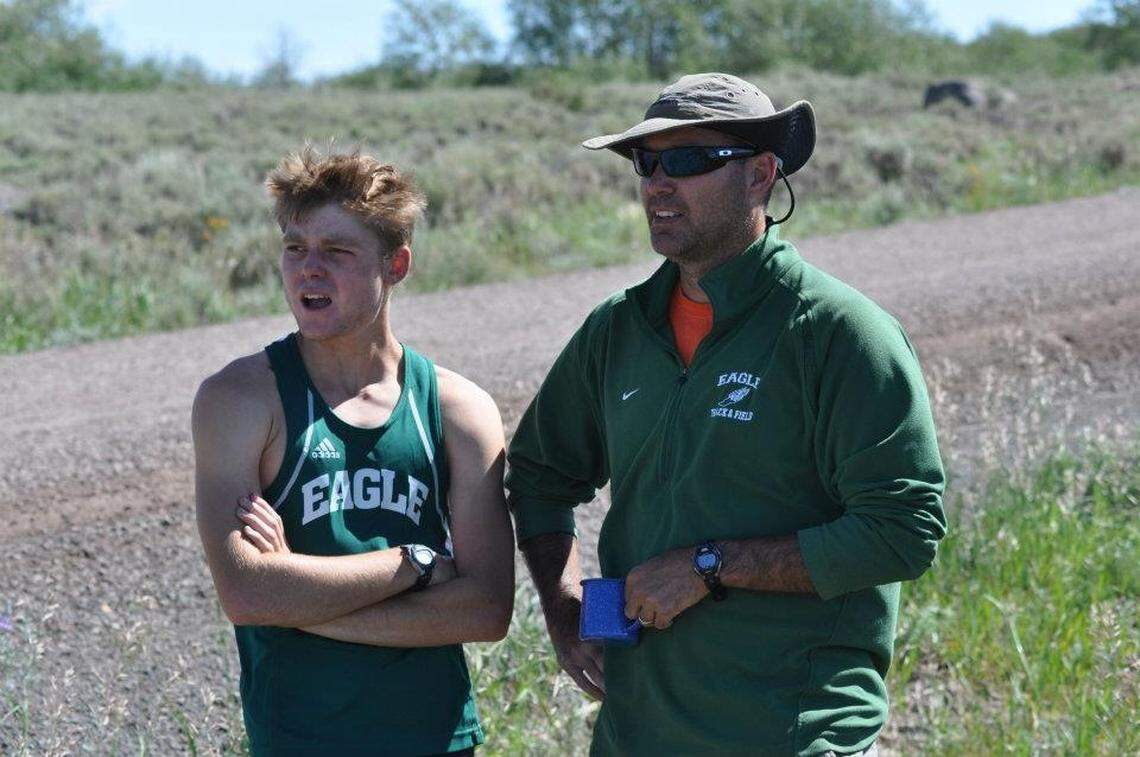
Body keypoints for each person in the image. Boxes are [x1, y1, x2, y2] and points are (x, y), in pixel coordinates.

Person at [507, 73, 947, 756]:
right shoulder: (618, 330)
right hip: (636, 734)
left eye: (686, 161)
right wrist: (564, 611)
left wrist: (712, 563)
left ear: (761, 175)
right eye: (646, 162)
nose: (657, 183)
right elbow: (538, 471)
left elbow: (903, 530)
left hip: (792, 733)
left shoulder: (837, 333)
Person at [193, 147, 514, 756]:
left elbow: (486, 609)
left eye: (337, 252)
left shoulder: (457, 409)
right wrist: (416, 564)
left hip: (437, 739)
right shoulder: (238, 400)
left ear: (396, 265)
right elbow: (247, 594)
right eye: (295, 249)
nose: (308, 270)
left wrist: (299, 599)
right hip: (298, 739)